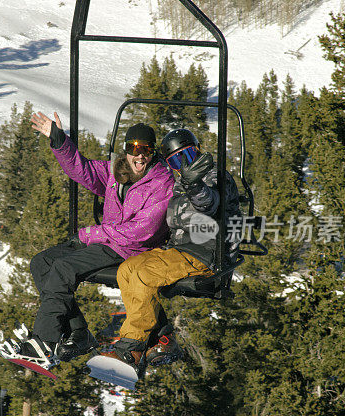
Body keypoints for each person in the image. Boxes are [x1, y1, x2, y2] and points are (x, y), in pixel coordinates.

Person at [19, 111, 175, 363]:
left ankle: (45, 340)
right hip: (108, 241)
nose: (139, 154)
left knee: (63, 268)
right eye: (133, 148)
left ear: (153, 151)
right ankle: (78, 333)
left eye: (145, 148)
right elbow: (82, 170)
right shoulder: (117, 172)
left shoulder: (162, 183)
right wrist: (60, 140)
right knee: (42, 263)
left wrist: (94, 233)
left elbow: (141, 231)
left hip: (132, 250)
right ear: (125, 150)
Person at [99, 128, 242, 375]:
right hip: (181, 249)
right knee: (127, 270)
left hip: (206, 251)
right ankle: (162, 339)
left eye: (186, 154)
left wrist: (194, 182)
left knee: (144, 273)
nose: (183, 163)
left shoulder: (215, 176)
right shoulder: (179, 182)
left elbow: (207, 204)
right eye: (175, 160)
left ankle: (132, 347)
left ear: (196, 149)